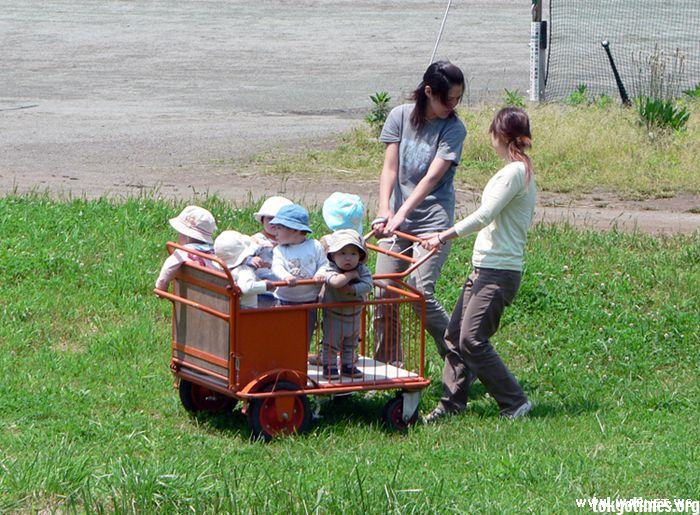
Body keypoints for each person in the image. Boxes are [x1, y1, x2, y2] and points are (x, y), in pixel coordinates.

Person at [422, 107, 537, 422]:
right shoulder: (517, 170)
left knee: (472, 339)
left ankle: (514, 402)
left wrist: (442, 236)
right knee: (454, 336)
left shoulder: (515, 172)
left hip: (499, 271)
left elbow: (485, 215)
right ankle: (451, 405)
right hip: (485, 268)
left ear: (498, 134)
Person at [371, 60, 469, 366]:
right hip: (398, 218)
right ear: (428, 91)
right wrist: (386, 209)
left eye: (458, 99)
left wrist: (401, 215)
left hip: (432, 221)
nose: (452, 105)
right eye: (447, 99)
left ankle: (460, 361)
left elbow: (431, 179)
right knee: (384, 289)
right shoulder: (400, 116)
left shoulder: (454, 128)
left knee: (418, 290)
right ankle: (387, 366)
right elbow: (390, 168)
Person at [314, 229, 373, 380]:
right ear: (333, 256)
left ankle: (348, 365)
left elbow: (368, 285)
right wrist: (350, 276)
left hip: (354, 314)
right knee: (331, 343)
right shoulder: (330, 268)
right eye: (342, 253)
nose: (348, 258)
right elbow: (335, 282)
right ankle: (330, 366)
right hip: (334, 315)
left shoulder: (362, 269)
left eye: (353, 254)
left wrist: (354, 288)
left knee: (351, 343)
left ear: (360, 256)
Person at [270, 204, 327, 345]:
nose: (274, 232)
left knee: (304, 336)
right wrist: (285, 276)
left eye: (279, 228)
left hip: (308, 301)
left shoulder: (314, 246)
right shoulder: (280, 250)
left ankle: (300, 363)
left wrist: (320, 274)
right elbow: (276, 266)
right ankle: (284, 363)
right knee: (283, 336)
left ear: (295, 230)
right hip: (284, 301)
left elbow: (324, 264)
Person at [155, 205, 217, 291]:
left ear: (186, 236)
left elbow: (168, 268)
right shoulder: (216, 256)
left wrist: (160, 288)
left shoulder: (183, 253)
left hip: (191, 296)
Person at [214, 230, 275, 309]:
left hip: (229, 305)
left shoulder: (222, 268)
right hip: (246, 311)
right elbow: (247, 288)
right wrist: (265, 285)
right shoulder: (244, 271)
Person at [248, 195, 293, 281]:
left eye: (279, 220)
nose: (274, 223)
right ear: (262, 220)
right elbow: (243, 256)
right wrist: (251, 259)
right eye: (270, 218)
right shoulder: (257, 240)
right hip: (262, 280)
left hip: (287, 280)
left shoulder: (292, 240)